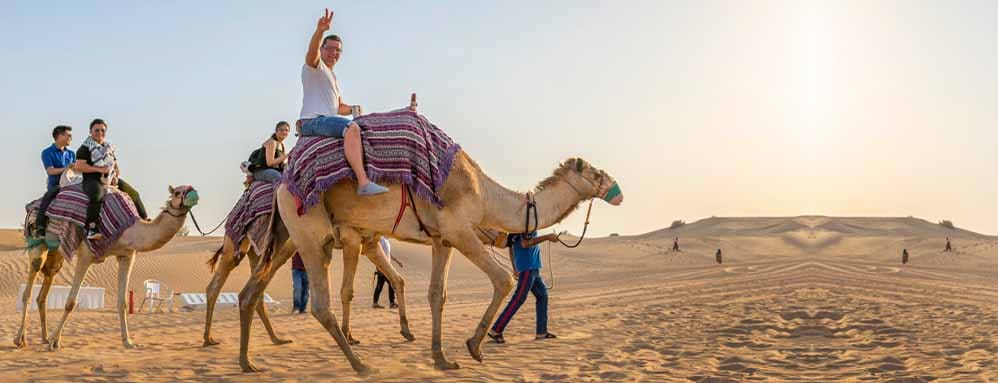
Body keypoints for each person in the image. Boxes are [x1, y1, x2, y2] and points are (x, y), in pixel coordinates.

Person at [297, 9, 388, 196]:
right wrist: (319, 30)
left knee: (362, 128)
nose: (333, 53)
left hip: (327, 119)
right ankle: (363, 182)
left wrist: (353, 108)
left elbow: (338, 107)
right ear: (322, 49)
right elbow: (310, 53)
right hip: (313, 121)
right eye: (329, 48)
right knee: (352, 128)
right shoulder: (315, 66)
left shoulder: (332, 77)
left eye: (337, 50)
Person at [488, 220, 559, 343]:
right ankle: (496, 330)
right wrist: (548, 237)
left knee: (542, 296)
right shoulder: (526, 225)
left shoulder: (516, 225)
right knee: (518, 299)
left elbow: (511, 248)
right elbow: (526, 243)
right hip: (527, 268)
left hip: (532, 268)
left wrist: (515, 267)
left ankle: (541, 332)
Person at [76, 119, 148, 239]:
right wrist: (99, 170)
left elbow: (114, 164)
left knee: (134, 194)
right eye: (97, 130)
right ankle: (91, 228)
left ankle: (145, 221)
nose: (100, 133)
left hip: (110, 179)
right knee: (97, 196)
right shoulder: (84, 148)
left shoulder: (108, 148)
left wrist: (115, 175)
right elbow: (79, 166)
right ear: (90, 132)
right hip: (92, 180)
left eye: (102, 130)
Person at [33, 125, 76, 238]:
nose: (71, 138)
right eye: (69, 135)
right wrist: (67, 168)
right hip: (57, 186)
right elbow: (51, 171)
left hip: (72, 184)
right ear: (60, 136)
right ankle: (40, 227)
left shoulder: (72, 154)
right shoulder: (47, 152)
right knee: (47, 197)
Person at [372, 237, 401, 309]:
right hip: (382, 267)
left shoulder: (387, 240)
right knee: (391, 283)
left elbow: (388, 254)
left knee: (380, 285)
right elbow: (378, 253)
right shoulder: (381, 239)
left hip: (387, 267)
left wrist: (397, 261)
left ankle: (375, 303)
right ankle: (391, 303)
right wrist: (378, 267)